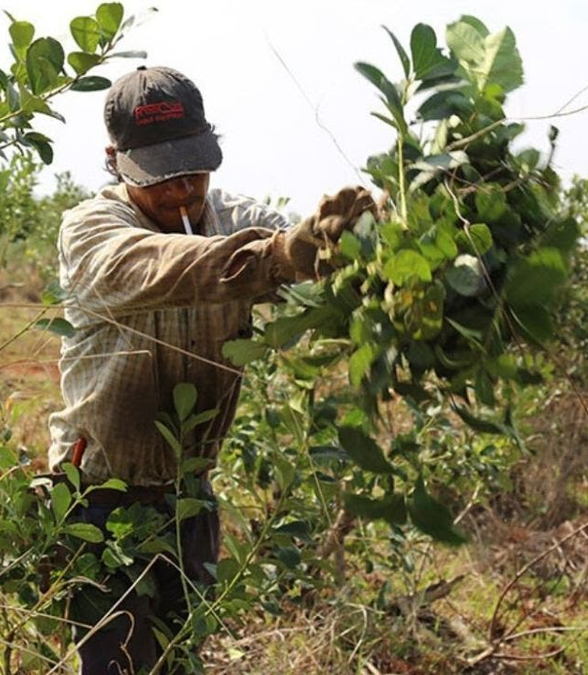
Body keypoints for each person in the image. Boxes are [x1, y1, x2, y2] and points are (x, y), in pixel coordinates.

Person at [47, 65, 375, 674]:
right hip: (98, 498)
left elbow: (300, 251)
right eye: (161, 177)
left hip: (190, 495)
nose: (181, 192)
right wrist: (277, 256)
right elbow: (156, 266)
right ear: (116, 161)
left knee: (181, 661)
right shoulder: (92, 229)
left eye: (192, 171)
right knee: (116, 667)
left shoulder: (233, 216)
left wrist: (357, 242)